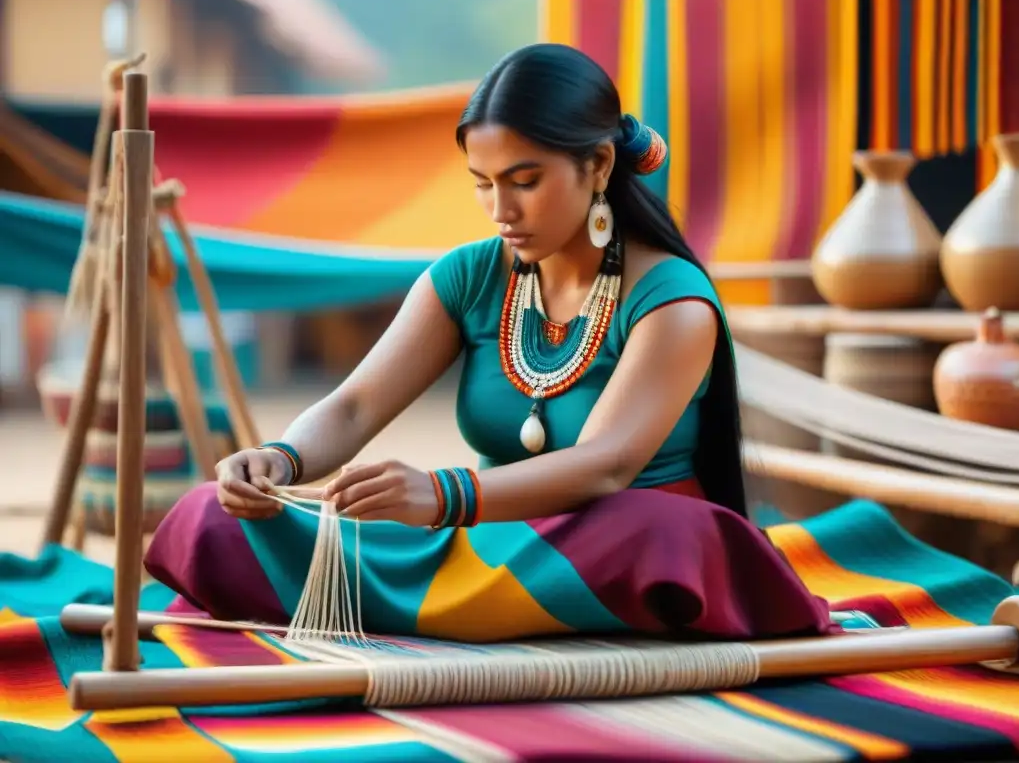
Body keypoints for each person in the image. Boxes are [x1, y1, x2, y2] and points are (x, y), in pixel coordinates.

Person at [145, 43, 834, 643]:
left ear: (597, 165)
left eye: (525, 182)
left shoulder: (671, 297)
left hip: (606, 549)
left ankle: (413, 604)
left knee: (662, 534)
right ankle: (447, 607)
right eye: (483, 185)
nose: (501, 211)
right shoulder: (471, 276)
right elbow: (355, 407)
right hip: (490, 548)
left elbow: (604, 466)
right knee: (211, 516)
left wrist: (441, 496)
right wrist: (279, 461)